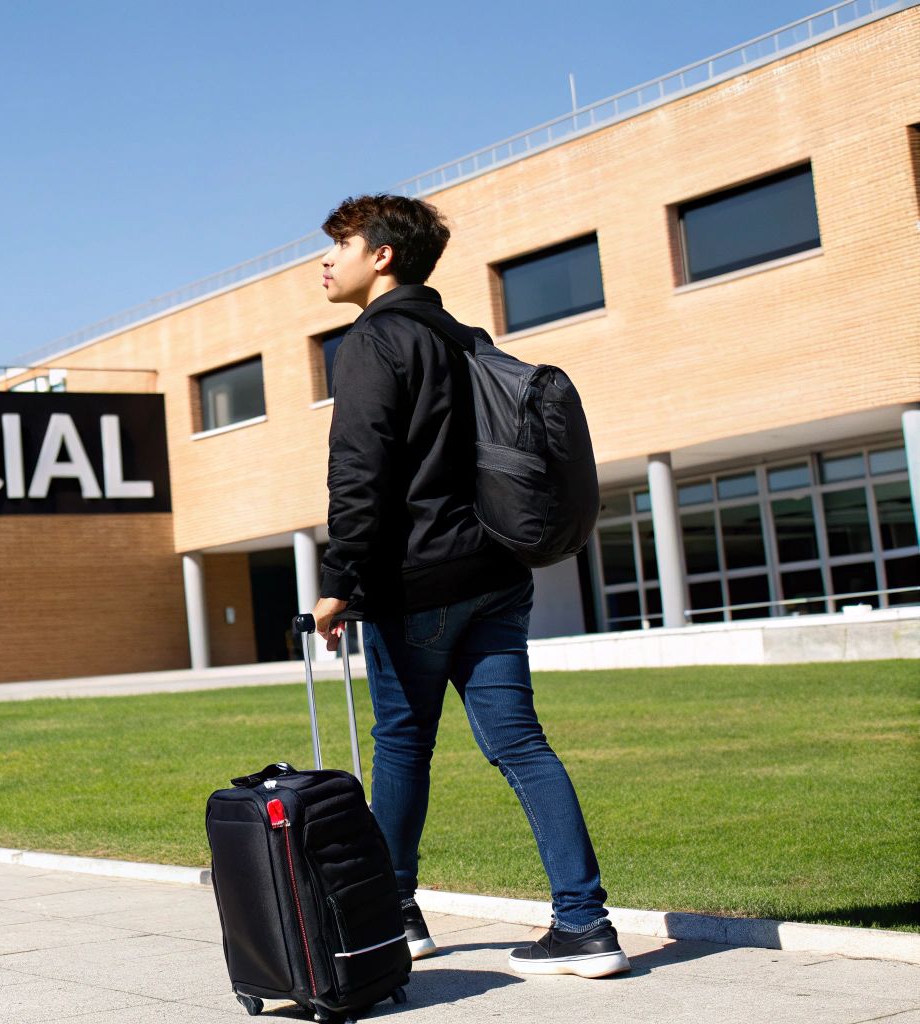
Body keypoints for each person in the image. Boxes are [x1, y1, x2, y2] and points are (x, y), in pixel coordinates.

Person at [309, 194, 628, 979]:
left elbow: (360, 471)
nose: (326, 259)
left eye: (340, 244)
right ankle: (585, 925)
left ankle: (393, 913)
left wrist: (338, 581)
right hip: (495, 574)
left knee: (402, 745)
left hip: (416, 582)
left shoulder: (372, 341)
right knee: (521, 745)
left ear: (382, 255)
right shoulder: (464, 337)